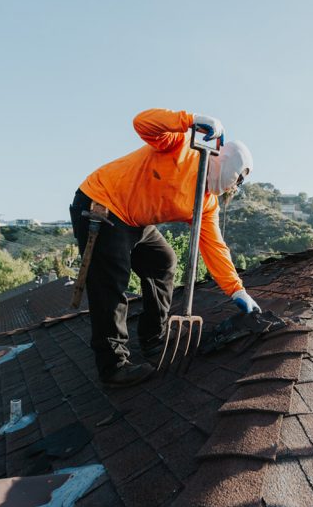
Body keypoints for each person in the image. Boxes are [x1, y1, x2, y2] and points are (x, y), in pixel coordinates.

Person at [71, 109, 260, 387]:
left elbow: (215, 248)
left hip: (136, 219)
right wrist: (190, 120)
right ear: (227, 164)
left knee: (163, 261)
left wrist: (237, 290)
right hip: (103, 204)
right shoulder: (180, 146)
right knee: (111, 280)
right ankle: (113, 366)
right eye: (237, 179)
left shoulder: (206, 202)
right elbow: (142, 123)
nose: (235, 187)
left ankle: (153, 338)